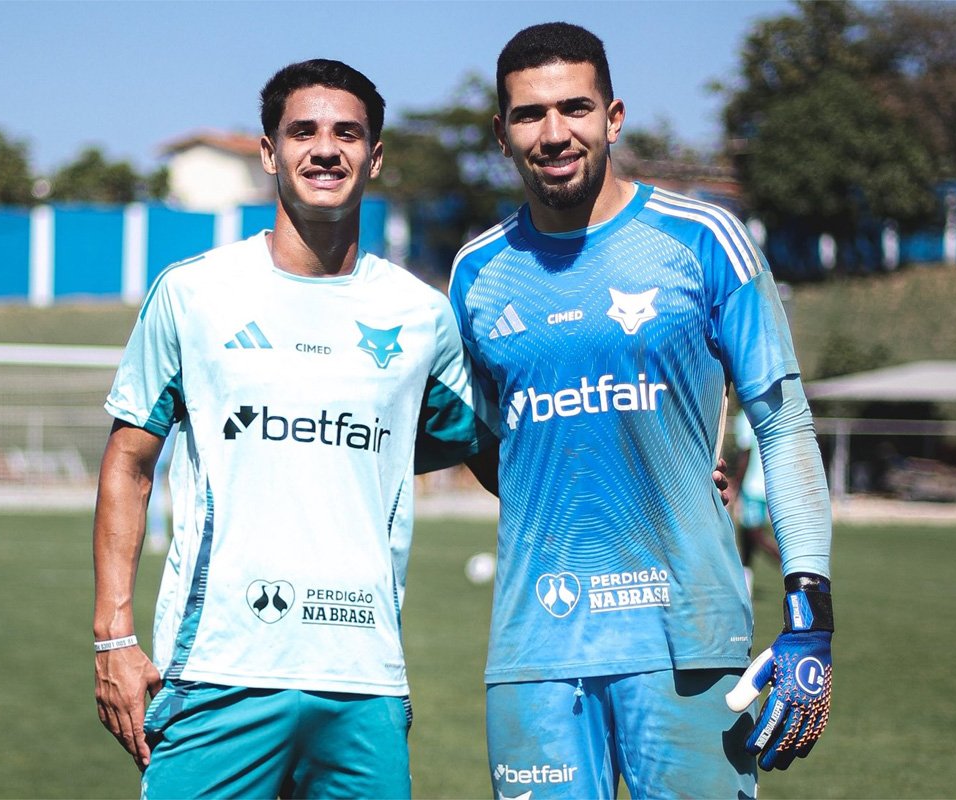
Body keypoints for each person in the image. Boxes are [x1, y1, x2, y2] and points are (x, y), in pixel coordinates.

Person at [450, 22, 835, 799]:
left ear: (613, 116)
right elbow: (495, 447)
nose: (554, 133)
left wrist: (810, 614)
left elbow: (785, 425)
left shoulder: (704, 240)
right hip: (536, 652)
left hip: (689, 639)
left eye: (575, 108)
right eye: (529, 114)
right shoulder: (476, 275)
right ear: (501, 132)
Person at [91, 58, 495, 798]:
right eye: (302, 131)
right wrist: (113, 637)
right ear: (270, 152)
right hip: (217, 670)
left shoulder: (421, 316)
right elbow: (128, 463)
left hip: (363, 682)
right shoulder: (194, 294)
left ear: (374, 157)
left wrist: (674, 484)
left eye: (347, 133)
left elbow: (498, 456)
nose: (325, 149)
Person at [732, 407, 781, 595]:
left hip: (752, 486)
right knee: (746, 536)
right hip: (767, 484)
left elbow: (745, 453)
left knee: (755, 534)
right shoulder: (765, 413)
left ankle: (789, 567)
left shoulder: (745, 417)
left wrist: (737, 483)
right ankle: (745, 584)